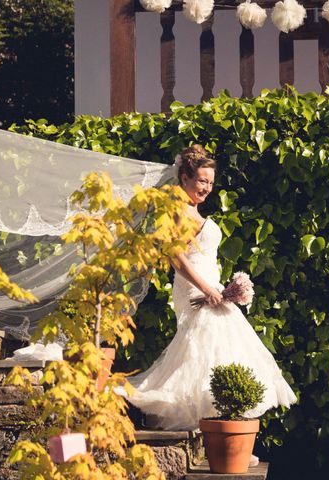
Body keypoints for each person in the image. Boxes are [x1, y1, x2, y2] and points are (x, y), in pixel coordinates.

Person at [123, 144, 297, 432]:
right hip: (197, 289)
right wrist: (207, 289)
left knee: (216, 349)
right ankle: (216, 428)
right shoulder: (176, 211)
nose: (207, 188)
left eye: (211, 183)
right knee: (213, 346)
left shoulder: (192, 209)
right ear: (184, 178)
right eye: (202, 181)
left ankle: (219, 428)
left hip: (211, 286)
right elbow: (176, 258)